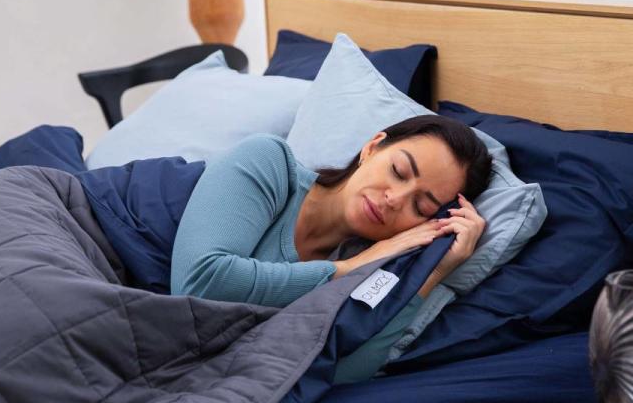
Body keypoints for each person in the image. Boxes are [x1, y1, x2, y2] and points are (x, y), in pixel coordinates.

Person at [170, 114, 492, 313]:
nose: (394, 199)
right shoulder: (268, 162)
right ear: (372, 147)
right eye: (398, 170)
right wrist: (345, 270)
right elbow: (200, 284)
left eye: (419, 207)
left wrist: (435, 274)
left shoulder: (376, 264)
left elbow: (348, 366)